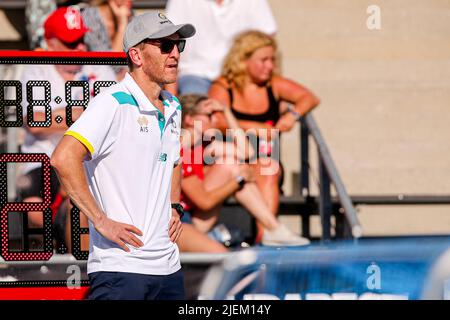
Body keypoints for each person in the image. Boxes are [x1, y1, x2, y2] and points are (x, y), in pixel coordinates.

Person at [51, 12, 195, 300]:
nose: (175, 53)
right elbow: (63, 158)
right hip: (121, 268)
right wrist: (101, 220)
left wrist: (175, 206)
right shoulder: (112, 102)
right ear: (137, 55)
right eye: (165, 46)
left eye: (179, 45)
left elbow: (174, 159)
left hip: (168, 267)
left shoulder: (173, 105)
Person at [16, 6, 116, 250]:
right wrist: (87, 112)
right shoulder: (36, 68)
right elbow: (35, 123)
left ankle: (83, 270)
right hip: (44, 161)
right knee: (34, 211)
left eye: (82, 40)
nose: (80, 48)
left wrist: (60, 115)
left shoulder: (97, 67)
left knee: (78, 208)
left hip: (92, 158)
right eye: (71, 43)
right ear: (51, 43)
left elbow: (115, 116)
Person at [209, 30, 320, 225]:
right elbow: (215, 122)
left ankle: (266, 240)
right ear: (243, 60)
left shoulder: (273, 84)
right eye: (264, 60)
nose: (270, 66)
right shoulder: (224, 86)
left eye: (272, 60)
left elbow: (309, 98)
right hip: (230, 162)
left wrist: (292, 115)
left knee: (267, 168)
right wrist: (254, 127)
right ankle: (269, 238)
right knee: (263, 167)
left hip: (267, 161)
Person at [179, 94, 310, 246]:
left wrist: (227, 111)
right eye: (210, 115)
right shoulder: (179, 148)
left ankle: (273, 229)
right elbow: (205, 203)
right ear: (189, 119)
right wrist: (238, 181)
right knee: (232, 167)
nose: (215, 119)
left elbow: (248, 153)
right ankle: (274, 229)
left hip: (196, 217)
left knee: (233, 163)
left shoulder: (205, 145)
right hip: (184, 222)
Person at [165, 0, 277, 95]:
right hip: (194, 75)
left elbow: (266, 42)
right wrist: (170, 101)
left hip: (239, 77)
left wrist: (289, 115)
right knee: (197, 116)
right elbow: (170, 41)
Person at [81, 0, 133, 80]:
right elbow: (111, 62)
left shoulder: (129, 15)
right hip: (99, 81)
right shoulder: (90, 16)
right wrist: (122, 23)